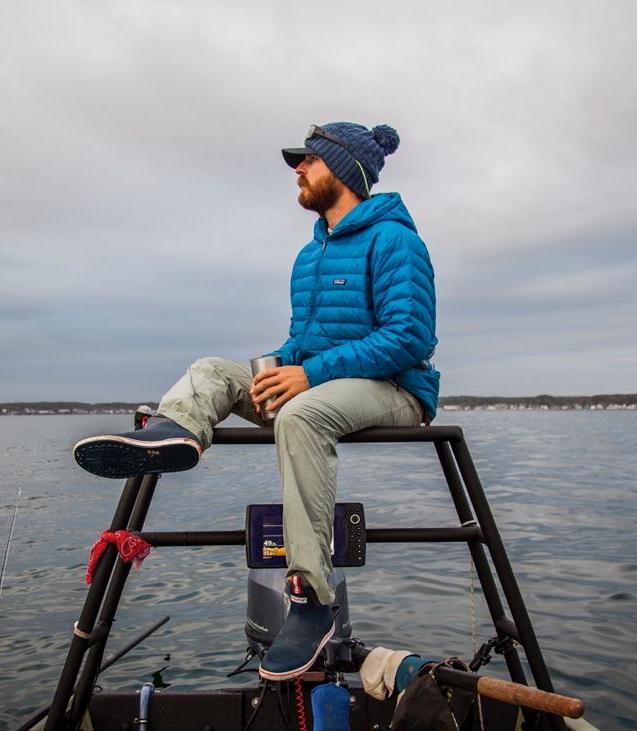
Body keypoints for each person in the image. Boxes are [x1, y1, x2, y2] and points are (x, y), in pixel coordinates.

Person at [74, 121, 439, 682]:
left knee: (300, 412)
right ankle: (175, 432)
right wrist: (279, 365)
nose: (297, 170)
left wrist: (307, 373)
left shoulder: (396, 241)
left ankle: (313, 601)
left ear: (344, 171)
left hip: (395, 389)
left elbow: (408, 337)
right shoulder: (309, 255)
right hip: (322, 383)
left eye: (309, 162)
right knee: (213, 371)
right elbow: (302, 341)